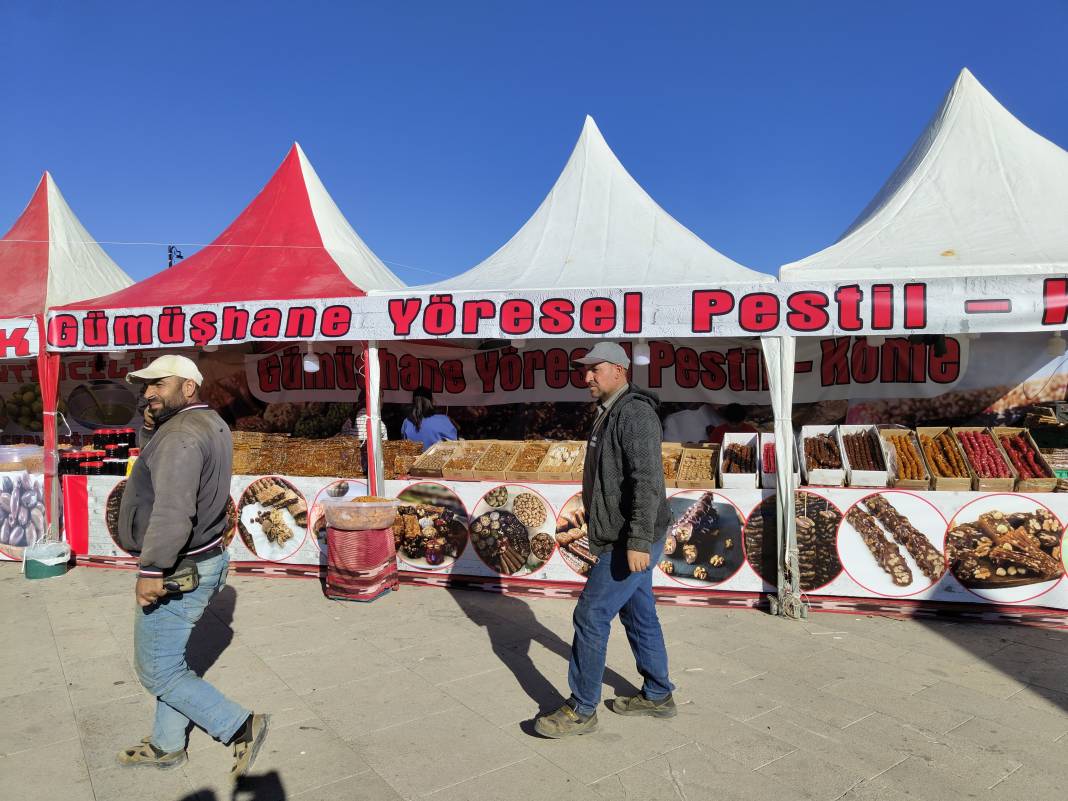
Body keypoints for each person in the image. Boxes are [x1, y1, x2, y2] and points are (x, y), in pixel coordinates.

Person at [115, 355, 268, 780]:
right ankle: (166, 746)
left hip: (179, 568)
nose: (148, 393)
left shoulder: (181, 435)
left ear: (188, 387)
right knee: (170, 662)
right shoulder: (206, 422)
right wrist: (150, 425)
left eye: (158, 384)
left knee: (157, 670)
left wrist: (151, 570)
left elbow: (172, 510)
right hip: (205, 557)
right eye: (145, 386)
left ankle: (239, 725)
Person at [534, 342, 675, 738]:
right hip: (625, 533)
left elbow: (647, 481)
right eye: (585, 370)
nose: (586, 377)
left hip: (629, 537)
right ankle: (659, 694)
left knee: (591, 615)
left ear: (618, 369)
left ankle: (582, 707)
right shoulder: (609, 411)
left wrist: (638, 541)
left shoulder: (634, 414)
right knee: (638, 612)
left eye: (594, 370)